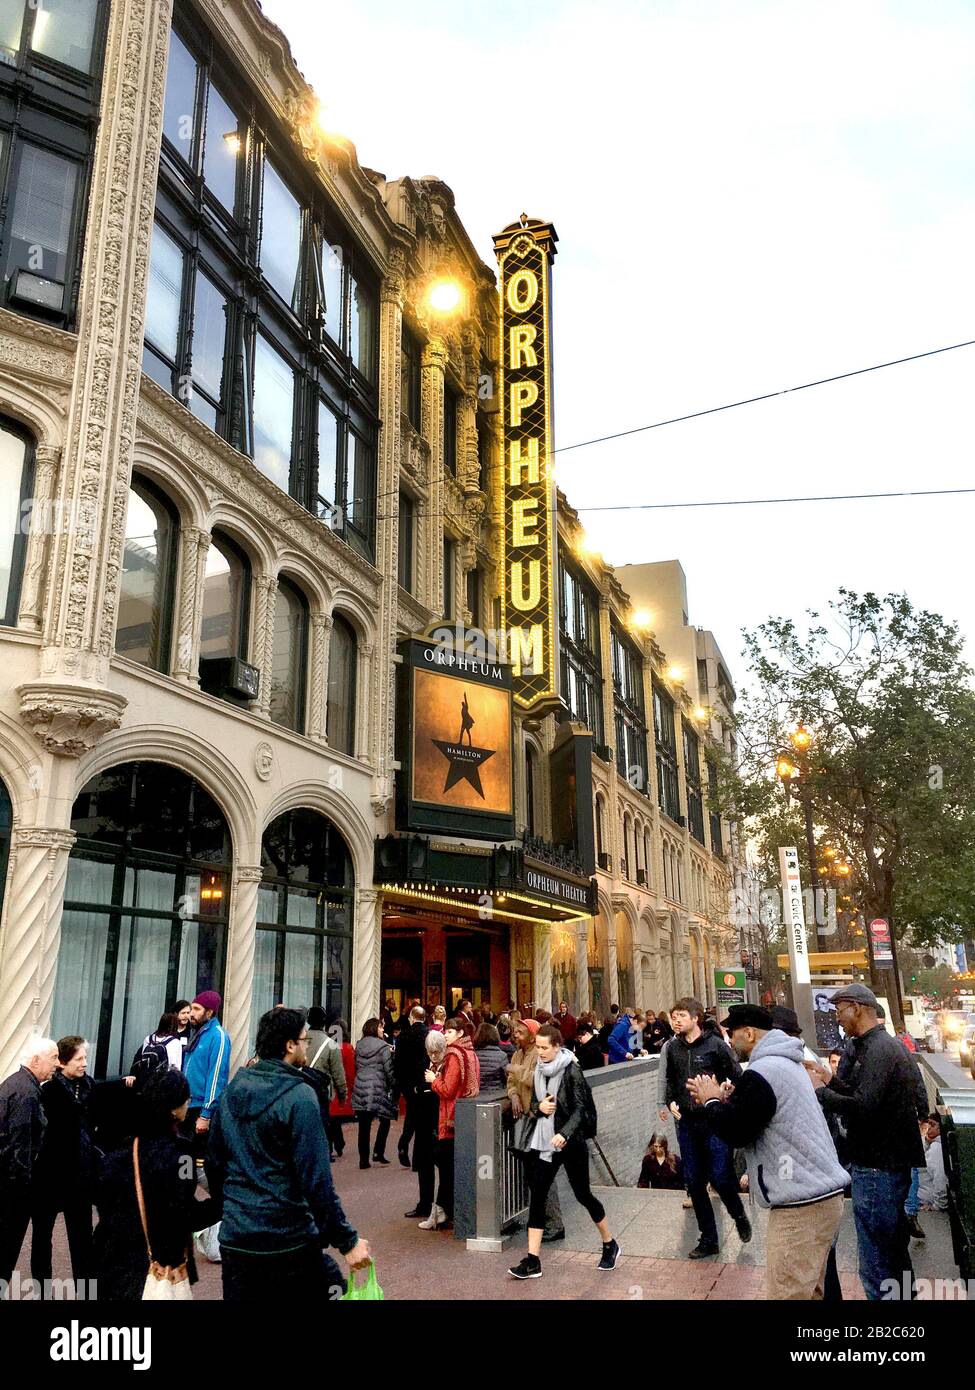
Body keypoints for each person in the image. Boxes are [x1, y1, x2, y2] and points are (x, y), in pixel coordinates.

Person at [207, 1007, 371, 1300]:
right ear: (290, 1045)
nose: (307, 1045)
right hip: (287, 1238)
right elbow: (316, 1180)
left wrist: (234, 1207)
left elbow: (214, 1163)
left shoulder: (231, 1091)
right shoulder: (300, 1096)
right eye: (304, 1040)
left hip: (237, 1239)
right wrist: (347, 1240)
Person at [688, 1004, 849, 1299]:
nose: (729, 1040)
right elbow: (762, 1112)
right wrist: (731, 1099)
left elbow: (737, 1131)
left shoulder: (764, 1071)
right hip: (820, 1197)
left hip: (800, 1205)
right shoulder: (785, 1063)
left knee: (786, 1293)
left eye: (732, 1033)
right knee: (811, 1292)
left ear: (749, 1033)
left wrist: (711, 1101)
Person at [806, 983, 926, 1300]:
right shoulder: (875, 1047)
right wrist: (832, 1080)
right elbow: (864, 1094)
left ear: (857, 1007)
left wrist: (820, 1091)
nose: (837, 1018)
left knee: (877, 1262)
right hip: (884, 1165)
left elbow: (863, 1105)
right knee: (891, 1252)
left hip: (877, 1169)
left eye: (839, 1010)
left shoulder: (880, 1050)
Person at [93, 1068, 219, 1301]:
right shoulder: (183, 1155)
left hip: (112, 1263)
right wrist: (220, 1205)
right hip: (158, 1268)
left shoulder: (122, 1150)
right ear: (174, 1108)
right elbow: (185, 1212)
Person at [508, 1024, 619, 1280]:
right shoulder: (539, 1070)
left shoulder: (572, 1070)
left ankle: (609, 1242)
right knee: (538, 1194)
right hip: (545, 1141)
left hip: (571, 1142)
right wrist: (539, 1108)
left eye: (545, 1048)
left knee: (583, 1194)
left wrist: (564, 1133)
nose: (541, 1052)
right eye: (538, 1047)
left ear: (557, 1047)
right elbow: (535, 1104)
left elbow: (581, 1109)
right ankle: (533, 1260)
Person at [660, 997, 750, 1258]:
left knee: (721, 1177)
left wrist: (727, 1095)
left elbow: (738, 1077)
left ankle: (738, 1214)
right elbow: (670, 1080)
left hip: (714, 1120)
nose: (676, 1020)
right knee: (694, 1182)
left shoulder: (716, 1046)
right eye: (673, 1016)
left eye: (681, 1016)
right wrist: (670, 1101)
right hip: (687, 1123)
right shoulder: (672, 1048)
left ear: (695, 1018)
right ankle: (708, 1238)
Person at [31, 1036, 97, 1298]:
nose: (84, 1064)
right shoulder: (48, 1092)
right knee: (42, 1237)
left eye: (85, 1058)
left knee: (82, 1239)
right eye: (79, 1059)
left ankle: (86, 1292)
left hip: (80, 1177)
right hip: (49, 1175)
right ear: (63, 1062)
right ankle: (42, 1292)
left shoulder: (90, 1086)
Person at [0, 1035, 59, 1292]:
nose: (57, 1064)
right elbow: (19, 1146)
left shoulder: (16, 1084)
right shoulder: (27, 1094)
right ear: (36, 1061)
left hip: (8, 1184)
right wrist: (23, 1190)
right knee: (5, 1249)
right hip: (12, 1190)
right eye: (54, 1058)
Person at [506, 1017, 565, 1241]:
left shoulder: (539, 1054)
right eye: (515, 1031)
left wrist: (516, 1070)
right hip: (527, 1120)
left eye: (521, 1032)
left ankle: (554, 1223)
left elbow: (539, 1079)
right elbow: (511, 1082)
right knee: (533, 1175)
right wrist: (513, 1096)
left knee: (543, 1174)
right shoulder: (517, 1054)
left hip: (542, 1121)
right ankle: (542, 1220)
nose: (516, 1035)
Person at [425, 1017, 480, 1228]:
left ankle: (441, 1212)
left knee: (446, 1167)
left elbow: (448, 1089)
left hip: (451, 1117)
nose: (445, 1034)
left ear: (459, 1034)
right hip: (464, 1117)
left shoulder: (455, 1055)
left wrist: (434, 1080)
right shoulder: (470, 1053)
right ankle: (446, 1211)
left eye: (449, 1031)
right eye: (445, 1031)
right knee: (452, 1166)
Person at [407, 1030, 448, 1227]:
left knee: (443, 1165)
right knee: (424, 1165)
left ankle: (441, 1207)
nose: (433, 1056)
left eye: (436, 1052)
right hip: (423, 1121)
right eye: (430, 1052)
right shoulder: (422, 1064)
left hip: (440, 1120)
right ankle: (425, 1204)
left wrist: (430, 1085)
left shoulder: (448, 1065)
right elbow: (414, 1088)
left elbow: (445, 1091)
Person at [183, 991, 230, 1159]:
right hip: (186, 1106)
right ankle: (184, 1183)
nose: (191, 1013)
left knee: (195, 1161)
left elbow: (216, 1076)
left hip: (200, 1109)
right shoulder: (198, 1033)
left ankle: (190, 1184)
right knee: (184, 1157)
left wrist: (205, 1114)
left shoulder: (218, 1036)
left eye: (196, 1009)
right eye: (191, 1008)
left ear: (209, 1012)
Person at [350, 1017, 397, 1169]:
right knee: (385, 1119)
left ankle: (363, 1160)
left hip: (360, 1086)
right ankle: (378, 1151)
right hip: (377, 1086)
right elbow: (389, 1070)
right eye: (381, 1027)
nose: (383, 1030)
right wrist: (393, 1084)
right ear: (375, 1028)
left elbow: (357, 1065)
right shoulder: (383, 1047)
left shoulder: (359, 1045)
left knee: (364, 1126)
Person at [305, 1006, 348, 1161]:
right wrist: (342, 1094)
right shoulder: (330, 1044)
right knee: (322, 1122)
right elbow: (338, 1073)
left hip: (298, 1086)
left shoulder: (299, 1040)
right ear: (324, 1022)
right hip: (320, 1089)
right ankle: (324, 1152)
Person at [393, 1005, 429, 1167]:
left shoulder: (402, 1037)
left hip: (407, 1082)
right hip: (423, 1080)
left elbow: (398, 1062)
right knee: (421, 1115)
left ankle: (404, 1143)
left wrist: (399, 1083)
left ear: (412, 1018)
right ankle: (416, 1156)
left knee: (412, 1112)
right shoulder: (428, 1035)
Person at [128, 1012, 183, 1087]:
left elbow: (140, 1058)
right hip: (163, 1084)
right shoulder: (175, 1042)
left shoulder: (148, 1039)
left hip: (145, 1082)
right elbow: (176, 1067)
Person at [917, 1114, 948, 1213]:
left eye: (932, 1124)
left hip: (926, 1196)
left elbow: (941, 1178)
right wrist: (926, 1140)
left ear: (940, 1129)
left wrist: (938, 1205)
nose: (929, 1127)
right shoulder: (930, 1142)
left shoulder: (937, 1148)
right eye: (928, 1123)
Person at [473, 1023, 509, 1093]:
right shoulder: (502, 1056)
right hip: (495, 1095)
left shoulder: (472, 1055)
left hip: (474, 1095)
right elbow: (506, 1078)